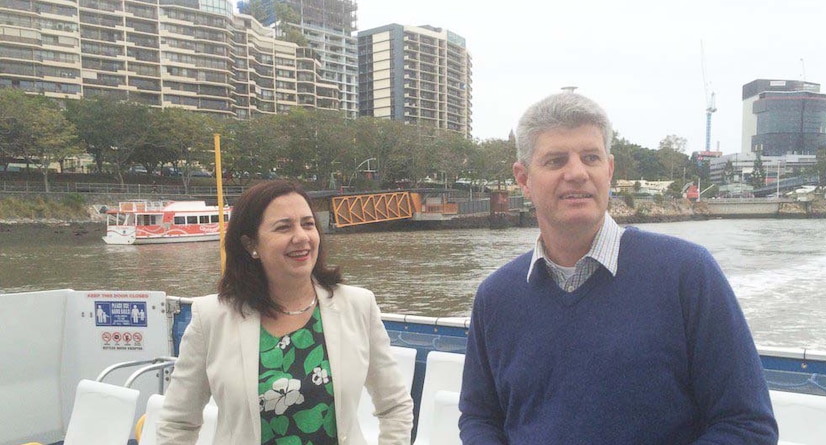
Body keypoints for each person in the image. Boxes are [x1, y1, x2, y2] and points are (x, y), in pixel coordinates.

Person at [459, 91, 778, 444]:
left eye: (590, 157)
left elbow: (746, 426)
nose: (577, 173)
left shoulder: (687, 274)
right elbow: (480, 418)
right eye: (556, 160)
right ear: (523, 179)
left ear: (608, 170)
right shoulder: (496, 297)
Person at [158, 180, 413, 444]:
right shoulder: (211, 318)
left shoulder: (358, 306)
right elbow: (178, 422)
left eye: (308, 224)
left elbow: (395, 406)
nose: (301, 237)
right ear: (250, 244)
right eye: (284, 227)